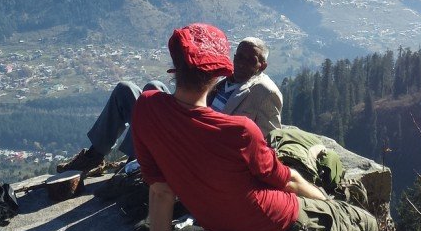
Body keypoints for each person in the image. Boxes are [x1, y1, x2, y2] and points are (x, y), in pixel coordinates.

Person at [132, 23, 378, 231]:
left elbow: (161, 191)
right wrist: (328, 203)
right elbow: (288, 181)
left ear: (176, 65)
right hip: (279, 219)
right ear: (218, 71)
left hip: (219, 221)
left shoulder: (146, 107)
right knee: (366, 222)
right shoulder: (238, 131)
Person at [58, 36, 282, 172]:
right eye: (238, 56)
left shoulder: (264, 92)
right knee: (133, 89)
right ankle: (96, 155)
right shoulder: (226, 79)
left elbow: (271, 139)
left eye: (249, 60)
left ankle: (138, 158)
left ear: (262, 65)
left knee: (150, 95)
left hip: (197, 142)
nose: (241, 63)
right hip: (185, 119)